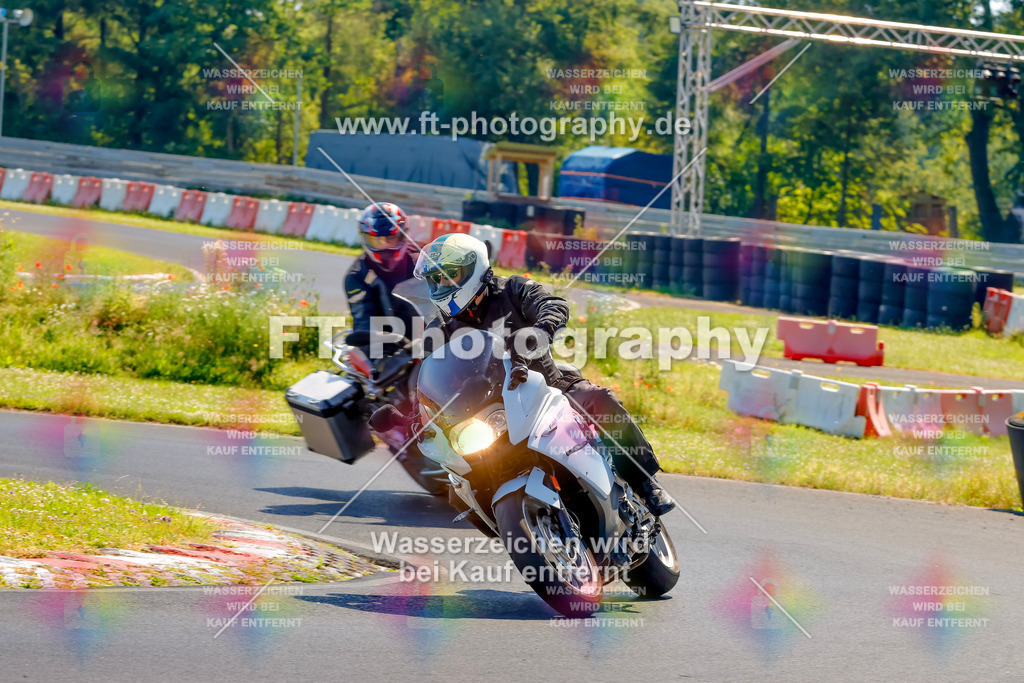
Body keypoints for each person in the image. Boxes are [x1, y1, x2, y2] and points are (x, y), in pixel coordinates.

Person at [413, 232, 675, 516]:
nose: (440, 285)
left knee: (599, 400)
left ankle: (644, 481)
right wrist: (415, 416)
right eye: (435, 279)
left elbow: (554, 305)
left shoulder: (512, 289)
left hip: (549, 387)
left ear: (473, 269)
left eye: (448, 276)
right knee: (458, 493)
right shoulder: (438, 329)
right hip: (487, 412)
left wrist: (536, 333)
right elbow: (431, 381)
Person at [344, 202, 418, 338]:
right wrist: (380, 340)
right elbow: (363, 320)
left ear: (403, 235)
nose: (384, 245)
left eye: (391, 238)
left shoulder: (424, 258)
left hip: (435, 338)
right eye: (376, 240)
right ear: (365, 238)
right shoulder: (357, 276)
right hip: (391, 344)